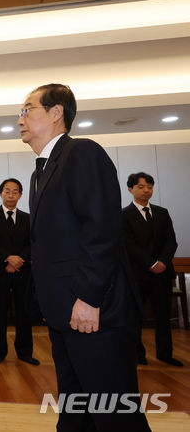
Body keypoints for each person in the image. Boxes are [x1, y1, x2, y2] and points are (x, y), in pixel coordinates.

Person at [20, 83, 148, 431]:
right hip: (65, 313)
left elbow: (102, 229)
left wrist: (89, 298)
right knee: (76, 410)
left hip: (94, 313)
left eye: (28, 109)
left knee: (116, 415)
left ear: (56, 112)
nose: (20, 119)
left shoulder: (82, 153)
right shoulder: (40, 171)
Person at [122, 172, 182, 367]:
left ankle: (165, 354)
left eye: (149, 187)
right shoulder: (123, 215)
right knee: (135, 316)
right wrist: (151, 263)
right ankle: (138, 355)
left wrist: (162, 262)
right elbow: (128, 245)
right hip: (137, 275)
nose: (146, 190)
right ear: (130, 189)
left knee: (163, 316)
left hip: (163, 274)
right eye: (141, 187)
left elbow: (171, 241)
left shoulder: (162, 212)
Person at [0, 178, 38, 366]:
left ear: (20, 195)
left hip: (23, 271)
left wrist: (18, 260)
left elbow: (33, 243)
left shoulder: (28, 218)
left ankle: (25, 352)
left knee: (24, 313)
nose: (11, 194)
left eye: (15, 191)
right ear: (1, 193)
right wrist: (8, 258)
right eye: (7, 191)